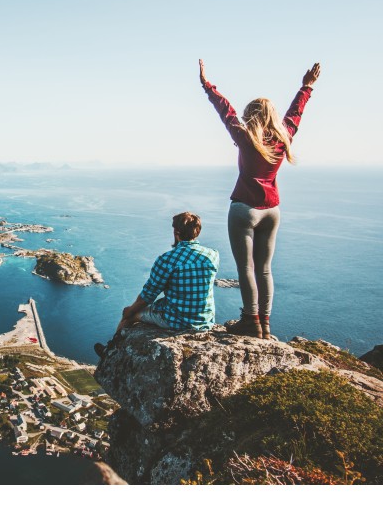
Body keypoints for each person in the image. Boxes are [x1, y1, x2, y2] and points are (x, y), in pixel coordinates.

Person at [199, 58, 320, 340]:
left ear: (251, 115)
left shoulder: (244, 136)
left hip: (244, 209)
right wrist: (306, 86)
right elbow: (296, 113)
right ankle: (264, 324)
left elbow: (224, 110)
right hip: (272, 210)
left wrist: (207, 85)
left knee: (246, 268)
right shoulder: (284, 137)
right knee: (265, 269)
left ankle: (250, 321)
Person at [94, 212, 219, 357]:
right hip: (204, 320)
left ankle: (110, 351)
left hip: (177, 320)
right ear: (198, 231)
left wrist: (129, 311)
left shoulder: (167, 259)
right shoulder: (213, 255)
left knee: (129, 316)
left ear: (176, 232)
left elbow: (148, 296)